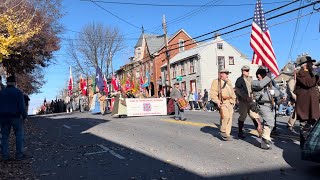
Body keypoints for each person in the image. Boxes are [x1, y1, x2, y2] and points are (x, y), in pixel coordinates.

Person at [251, 67, 280, 150]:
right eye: (263, 75)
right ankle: (265, 139)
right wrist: (269, 76)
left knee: (269, 123)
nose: (265, 76)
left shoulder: (268, 84)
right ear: (258, 75)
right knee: (269, 122)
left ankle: (265, 142)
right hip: (262, 104)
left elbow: (278, 92)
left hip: (270, 105)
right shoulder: (255, 82)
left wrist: (274, 92)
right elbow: (260, 85)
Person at [0, 76, 28, 161]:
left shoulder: (1, 93)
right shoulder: (18, 92)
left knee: (4, 137)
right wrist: (25, 116)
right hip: (16, 117)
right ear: (15, 83)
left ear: (7, 83)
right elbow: (22, 107)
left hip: (3, 117)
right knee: (19, 135)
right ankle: (19, 155)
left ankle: (5, 156)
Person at [295, 55, 320, 149]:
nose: (312, 64)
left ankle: (310, 145)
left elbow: (317, 82)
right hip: (304, 105)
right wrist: (317, 74)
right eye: (310, 62)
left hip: (312, 104)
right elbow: (309, 83)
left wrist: (317, 74)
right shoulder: (300, 73)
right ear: (305, 64)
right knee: (304, 126)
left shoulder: (311, 73)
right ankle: (304, 146)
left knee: (312, 124)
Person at [235, 65, 262, 139]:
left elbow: (253, 89)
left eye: (248, 70)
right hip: (243, 101)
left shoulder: (250, 79)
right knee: (242, 116)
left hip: (251, 101)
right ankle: (240, 132)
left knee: (255, 116)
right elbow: (238, 90)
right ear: (243, 71)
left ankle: (260, 131)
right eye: (246, 70)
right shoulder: (239, 80)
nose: (248, 72)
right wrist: (245, 97)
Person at [210, 69, 236, 141]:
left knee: (230, 119)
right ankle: (222, 130)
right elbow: (213, 93)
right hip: (222, 102)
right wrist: (217, 101)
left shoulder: (228, 81)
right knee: (225, 116)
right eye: (226, 73)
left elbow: (232, 92)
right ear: (221, 74)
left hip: (229, 102)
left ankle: (227, 134)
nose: (227, 75)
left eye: (228, 73)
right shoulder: (216, 82)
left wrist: (234, 100)